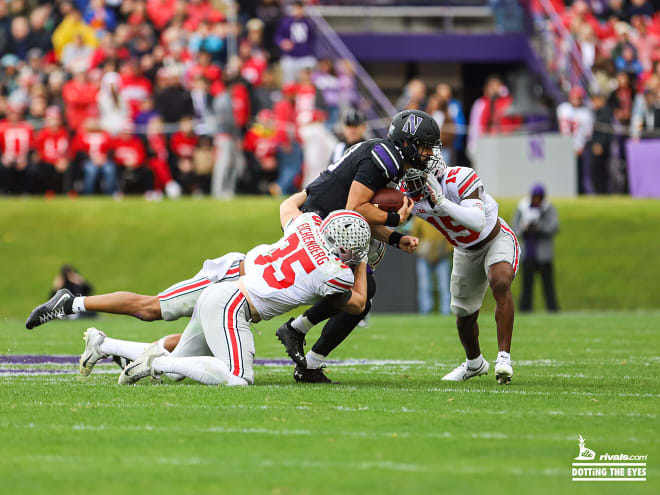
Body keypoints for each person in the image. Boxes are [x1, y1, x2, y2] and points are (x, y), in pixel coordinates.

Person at [83, 209, 371, 387]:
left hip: (224, 292)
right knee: (238, 378)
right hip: (233, 304)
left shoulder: (306, 224)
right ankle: (156, 362)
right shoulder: (334, 272)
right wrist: (363, 260)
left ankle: (104, 344)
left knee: (178, 374)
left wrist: (309, 191)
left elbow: (288, 206)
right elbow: (358, 303)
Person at [273, 110, 440, 383]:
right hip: (317, 223)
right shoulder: (384, 159)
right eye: (424, 146)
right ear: (408, 143)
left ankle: (304, 348)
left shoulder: (387, 156)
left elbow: (356, 216)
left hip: (326, 220)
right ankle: (299, 338)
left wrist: (396, 238)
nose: (427, 153)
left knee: (362, 295)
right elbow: (355, 209)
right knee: (361, 292)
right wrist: (396, 218)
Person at [403, 153, 520, 384]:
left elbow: (477, 223)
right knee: (463, 315)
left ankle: (504, 358)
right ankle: (474, 364)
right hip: (465, 251)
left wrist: (442, 202)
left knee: (500, 281)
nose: (413, 178)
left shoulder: (459, 178)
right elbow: (389, 215)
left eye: (419, 171)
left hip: (495, 238)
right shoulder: (411, 197)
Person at [511, 184, 560, 313]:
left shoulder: (548, 209)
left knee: (548, 287)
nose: (537, 200)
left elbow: (554, 227)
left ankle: (552, 310)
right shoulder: (523, 207)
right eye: (535, 197)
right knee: (526, 287)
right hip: (528, 254)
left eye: (539, 197)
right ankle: (525, 311)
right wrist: (524, 228)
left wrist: (539, 227)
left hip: (544, 255)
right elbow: (514, 227)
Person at [410, 216, 452, 315]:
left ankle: (446, 312)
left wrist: (445, 250)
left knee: (444, 285)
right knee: (424, 285)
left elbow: (451, 237)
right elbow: (414, 236)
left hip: (442, 256)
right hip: (424, 257)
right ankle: (425, 311)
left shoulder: (444, 216)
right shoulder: (420, 217)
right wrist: (420, 249)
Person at [557, 87, 594, 194]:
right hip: (564, 147)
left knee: (583, 174)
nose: (576, 100)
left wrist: (579, 147)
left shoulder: (586, 112)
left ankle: (583, 192)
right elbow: (565, 129)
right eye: (574, 97)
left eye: (578, 98)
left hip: (581, 148)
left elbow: (587, 134)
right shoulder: (563, 108)